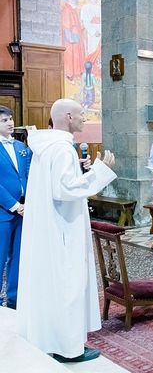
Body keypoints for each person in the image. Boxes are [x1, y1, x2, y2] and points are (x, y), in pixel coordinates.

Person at [17, 98, 117, 362]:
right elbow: (65, 189)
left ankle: (52, 338)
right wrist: (100, 171)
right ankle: (69, 349)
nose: (85, 118)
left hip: (52, 226)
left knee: (56, 285)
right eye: (82, 114)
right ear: (69, 116)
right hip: (63, 228)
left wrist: (84, 171)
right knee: (68, 285)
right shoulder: (61, 149)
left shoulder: (47, 146)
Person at [0, 106, 31, 310]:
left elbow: (32, 172)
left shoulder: (22, 147)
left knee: (19, 257)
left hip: (25, 209)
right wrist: (14, 205)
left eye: (10, 119)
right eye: (4, 120)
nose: (10, 123)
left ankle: (14, 299)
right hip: (4, 211)